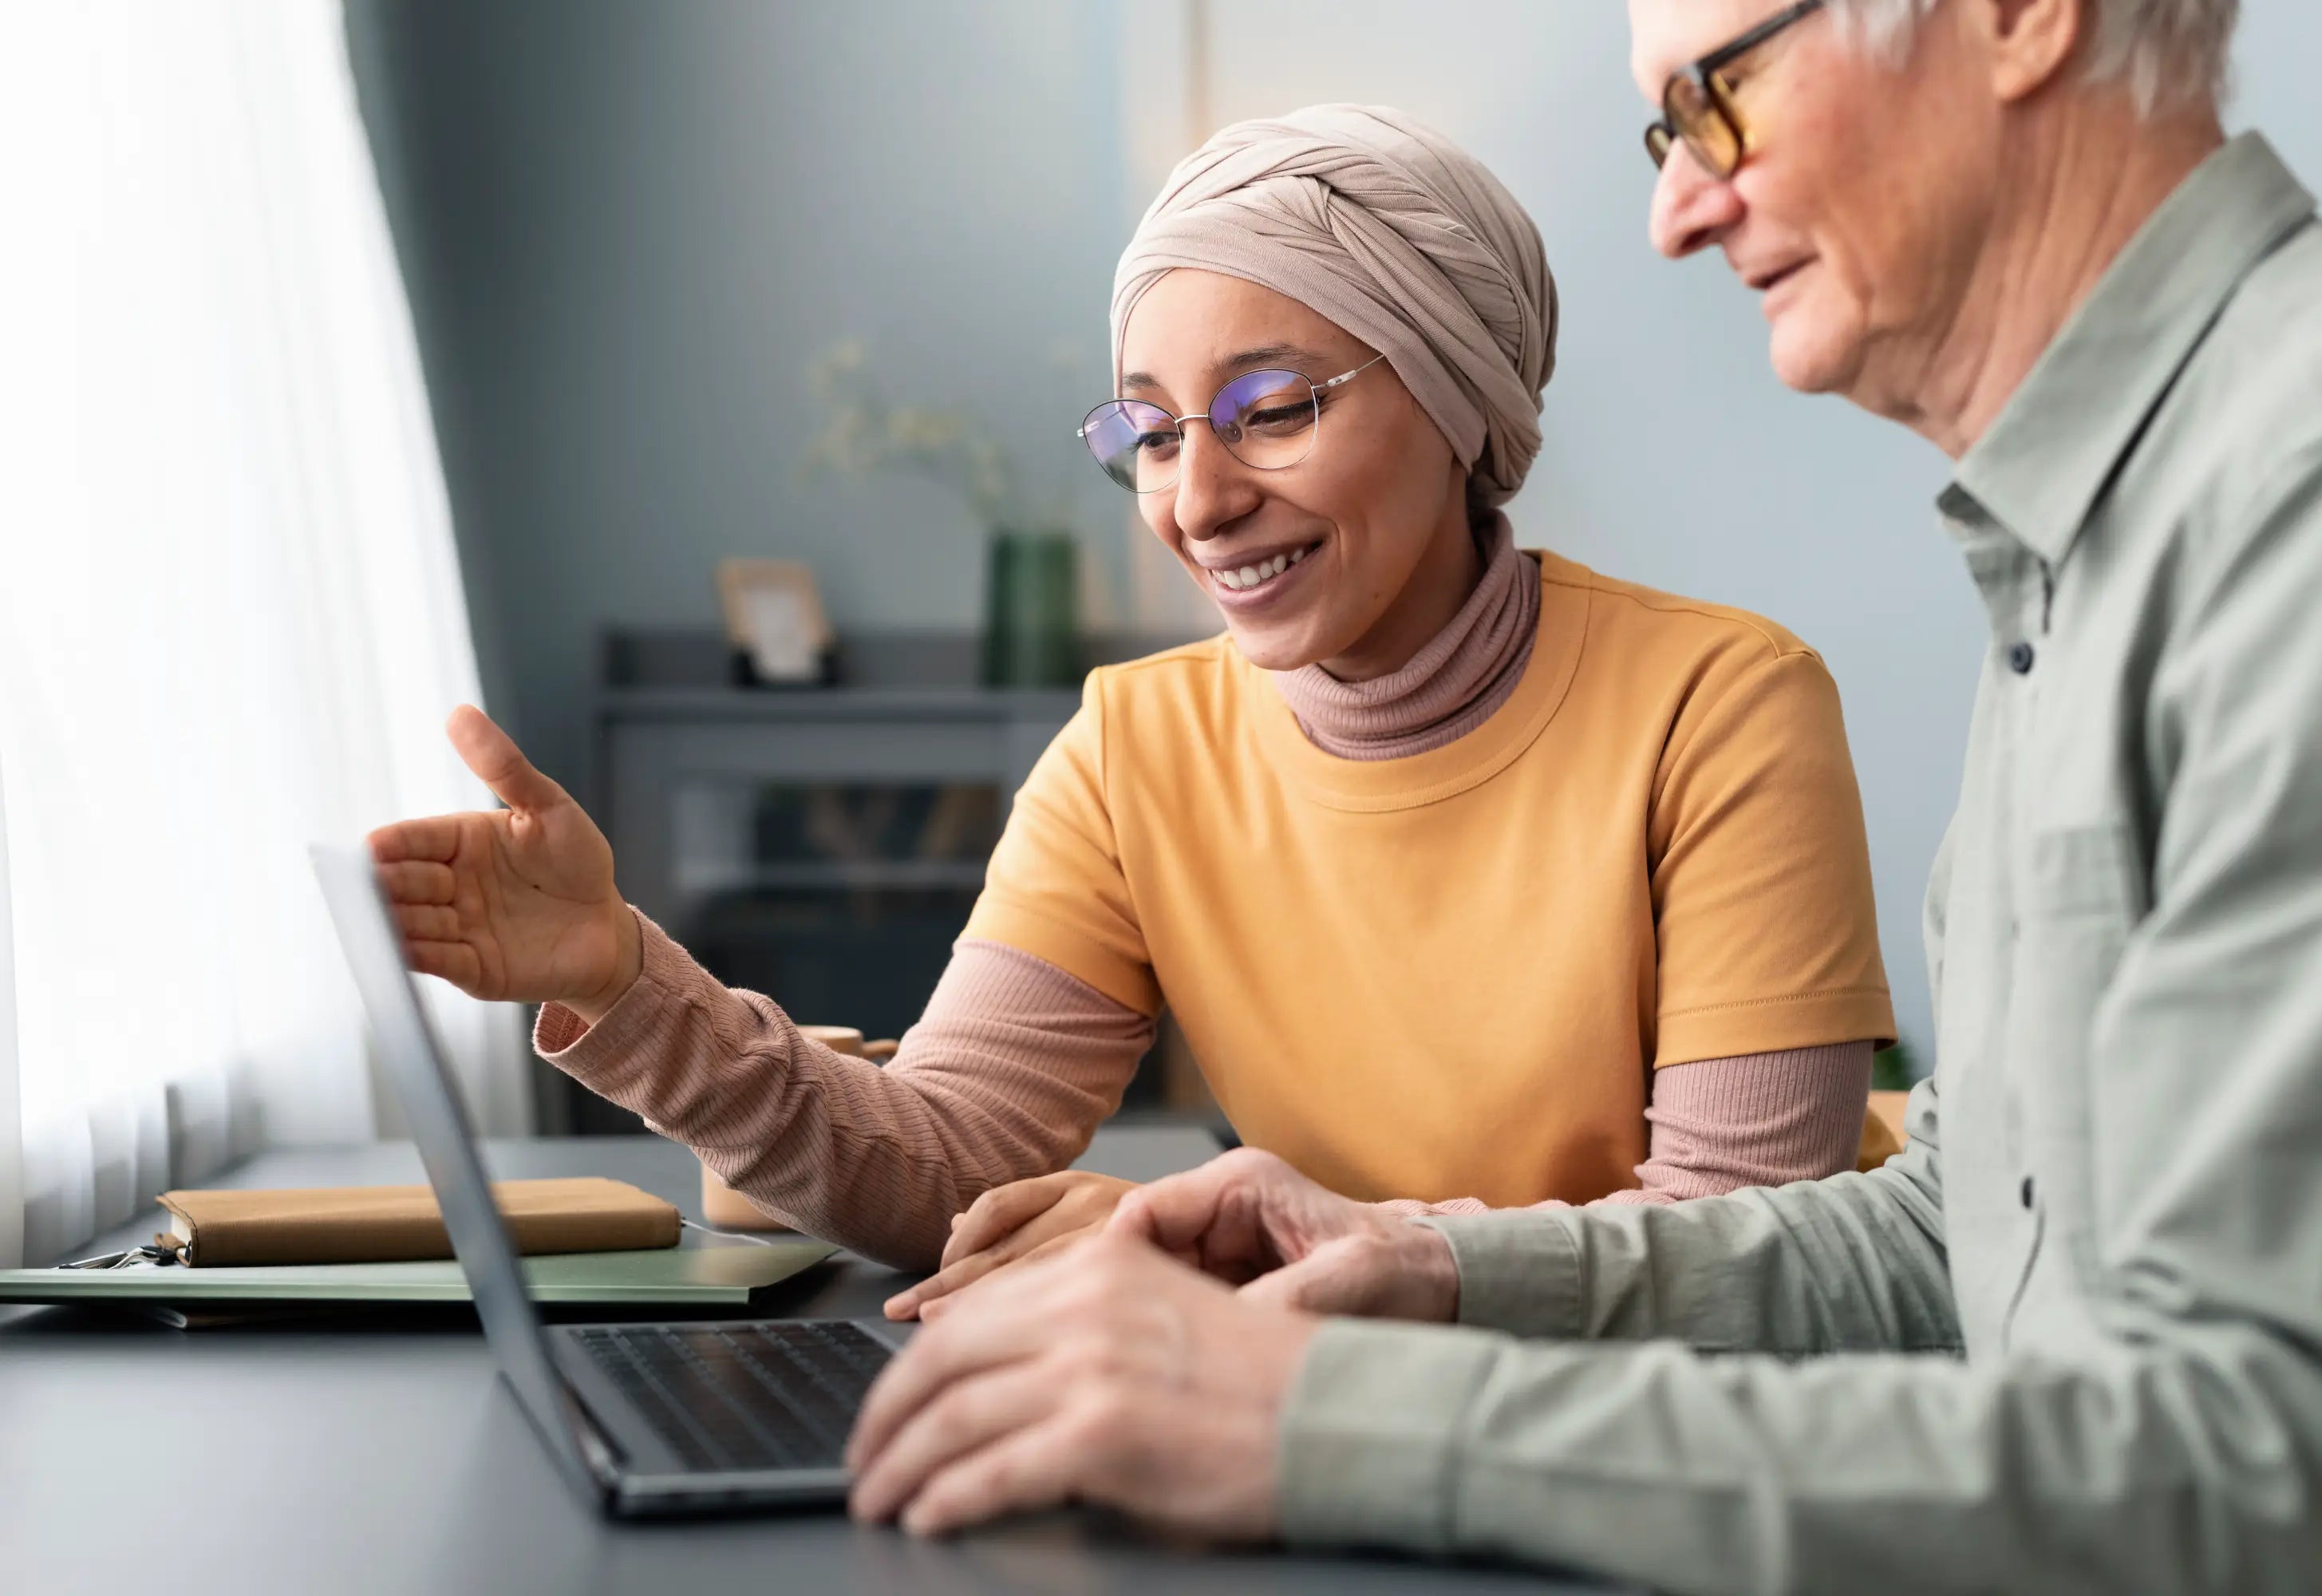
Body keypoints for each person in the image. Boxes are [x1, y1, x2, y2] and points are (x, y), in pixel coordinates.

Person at [843, 1, 2322, 1588]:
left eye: (1718, 94)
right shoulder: (2096, 536)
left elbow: (2289, 1457)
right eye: (1669, 130)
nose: (1674, 212)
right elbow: (1957, 1236)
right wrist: (1426, 1267)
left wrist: (1339, 1414)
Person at [369, 106, 1897, 1311]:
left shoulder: (1722, 706)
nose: (1201, 502)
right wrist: (627, 982)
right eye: (1152, 433)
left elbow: (1740, 1255)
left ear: (1459, 396)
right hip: (1330, 1403)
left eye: (1274, 408)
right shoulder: (1136, 745)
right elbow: (943, 1165)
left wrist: (1239, 1251)